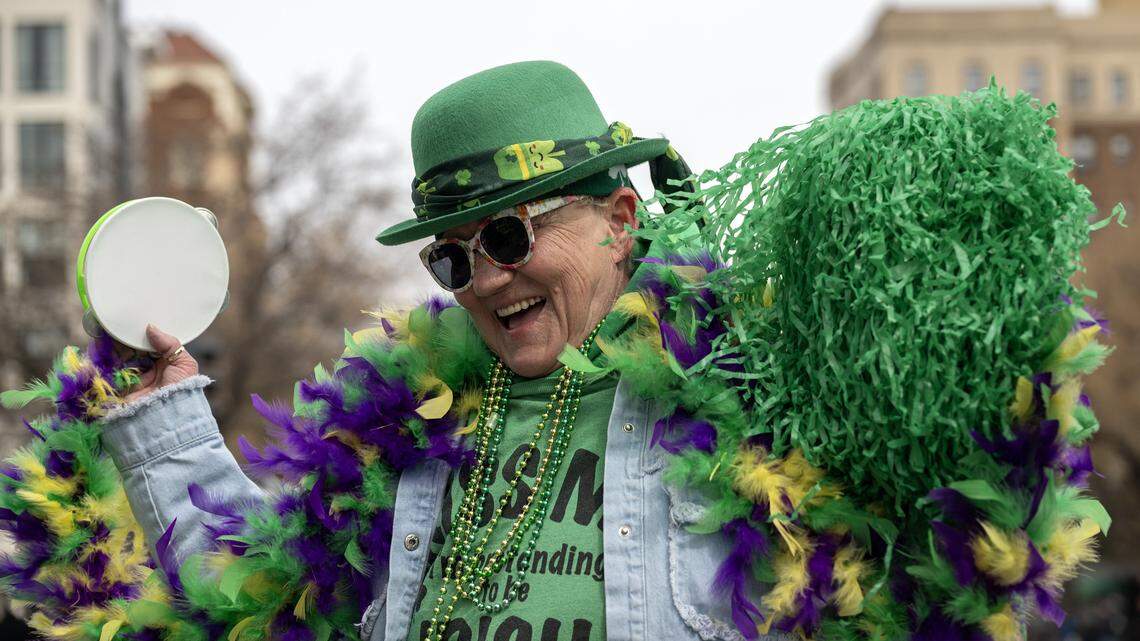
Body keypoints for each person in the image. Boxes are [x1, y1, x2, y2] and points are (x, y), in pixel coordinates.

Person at [0, 61, 1113, 641]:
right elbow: (257, 596)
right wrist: (169, 411)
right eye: (454, 257)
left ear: (620, 221)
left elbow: (948, 545)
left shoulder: (757, 391)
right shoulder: (407, 434)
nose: (486, 276)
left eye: (511, 234)